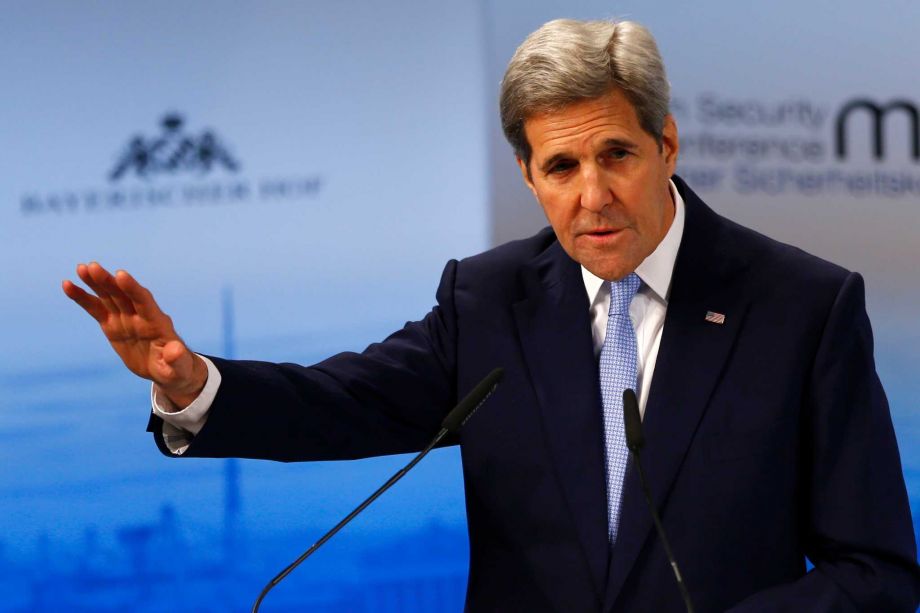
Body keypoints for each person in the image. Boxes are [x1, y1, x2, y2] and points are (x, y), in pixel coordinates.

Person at [64, 18, 919, 612]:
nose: (593, 196)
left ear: (667, 144)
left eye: (617, 154)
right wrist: (192, 383)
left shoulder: (802, 305)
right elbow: (340, 400)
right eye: (561, 166)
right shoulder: (488, 303)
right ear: (526, 174)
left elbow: (876, 572)